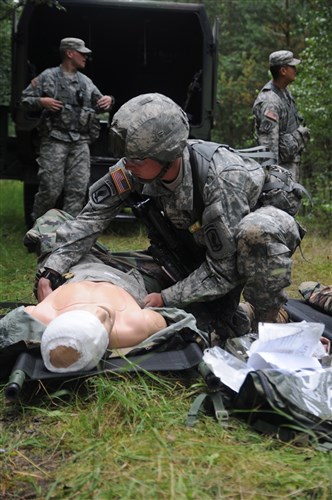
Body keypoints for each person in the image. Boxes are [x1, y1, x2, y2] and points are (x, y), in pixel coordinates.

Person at [36, 93, 306, 342]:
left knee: (255, 235)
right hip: (190, 255)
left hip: (237, 257)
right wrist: (53, 268)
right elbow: (90, 219)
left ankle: (269, 320)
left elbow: (224, 270)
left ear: (167, 154)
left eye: (137, 159)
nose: (127, 166)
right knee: (53, 225)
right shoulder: (134, 169)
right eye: (126, 158)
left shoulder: (221, 178)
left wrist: (166, 298)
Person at [21, 37, 114, 222]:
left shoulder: (86, 82)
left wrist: (109, 100)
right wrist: (41, 101)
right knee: (51, 187)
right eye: (82, 53)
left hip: (80, 142)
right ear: (70, 53)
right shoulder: (48, 77)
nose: (86, 57)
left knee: (78, 189)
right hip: (54, 140)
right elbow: (24, 100)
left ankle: (67, 234)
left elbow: (101, 103)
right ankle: (37, 230)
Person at [252, 50, 310, 182]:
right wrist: (273, 183)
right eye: (292, 67)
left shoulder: (284, 92)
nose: (295, 69)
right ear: (283, 71)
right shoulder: (270, 102)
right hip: (280, 178)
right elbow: (268, 149)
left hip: (290, 169)